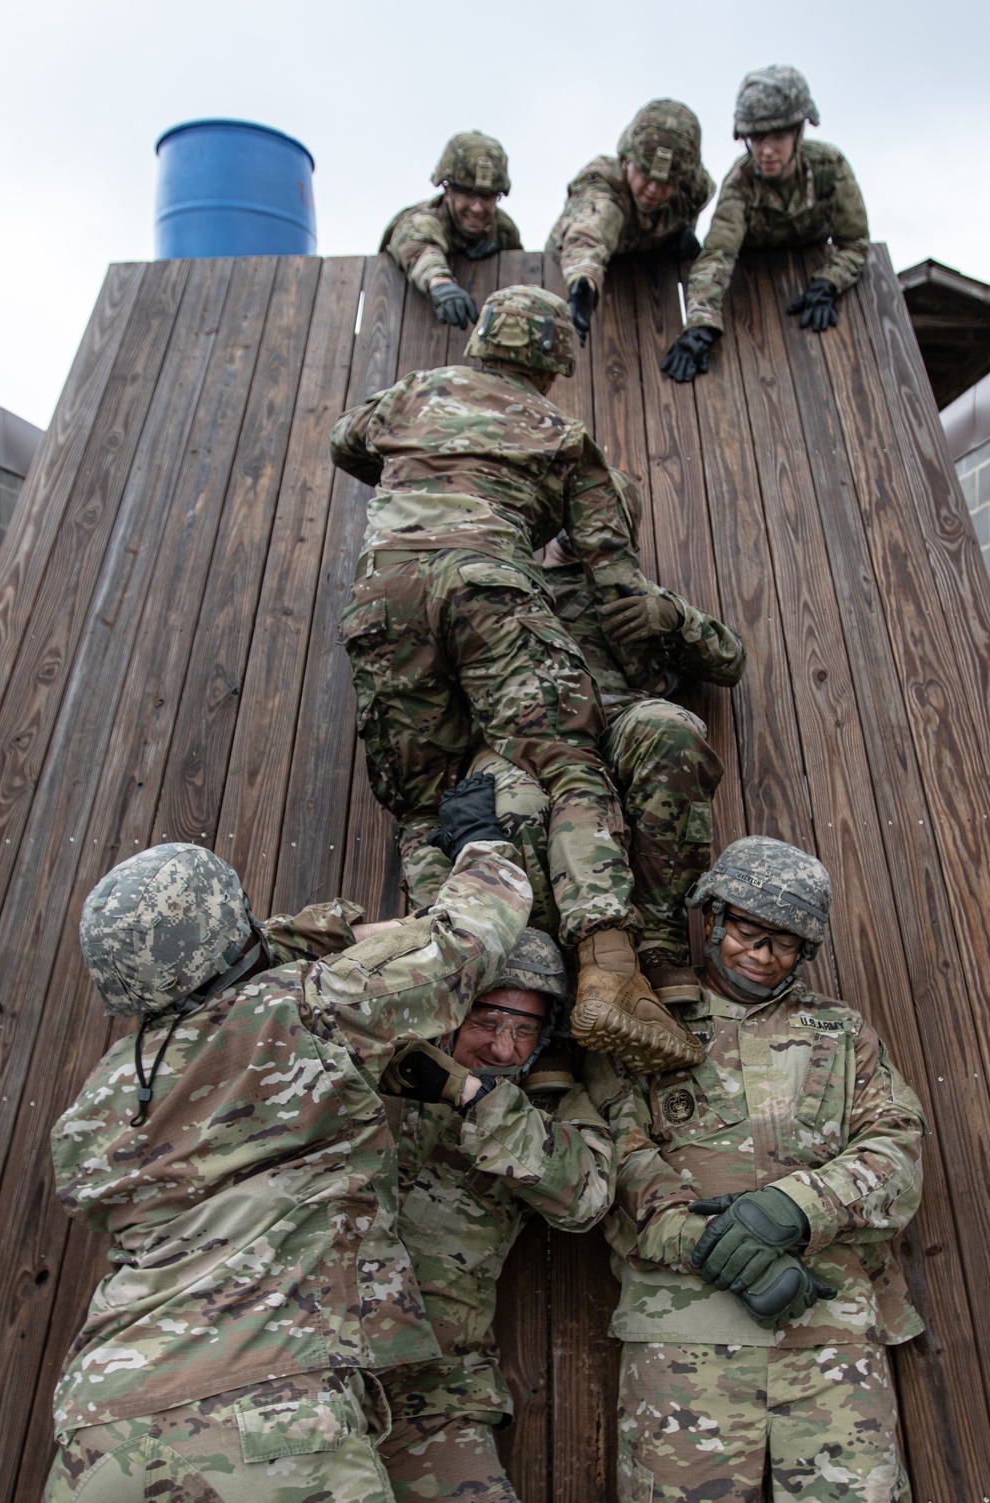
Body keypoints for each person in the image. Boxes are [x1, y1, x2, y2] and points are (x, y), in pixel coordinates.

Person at [43, 800, 534, 1503]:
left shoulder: (104, 1093)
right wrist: (483, 844)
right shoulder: (299, 1011)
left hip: (98, 1429)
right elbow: (464, 945)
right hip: (265, 1414)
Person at [331, 283, 704, 1078]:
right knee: (566, 759)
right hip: (487, 583)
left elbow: (348, 443)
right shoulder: (561, 433)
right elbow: (613, 568)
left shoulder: (411, 396)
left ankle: (447, 984)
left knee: (424, 800)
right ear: (550, 362)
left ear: (484, 341)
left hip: (382, 596)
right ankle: (609, 965)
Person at [595, 836, 925, 1503]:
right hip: (684, 1342)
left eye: (787, 943)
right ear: (712, 918)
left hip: (829, 1338)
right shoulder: (640, 1026)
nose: (764, 954)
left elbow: (897, 1150)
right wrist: (714, 1243)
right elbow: (612, 1157)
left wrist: (794, 1206)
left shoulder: (840, 1031)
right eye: (749, 930)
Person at [400, 495, 746, 1005]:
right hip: (519, 736)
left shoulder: (622, 589)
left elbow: (729, 660)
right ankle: (544, 969)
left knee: (670, 729)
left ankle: (657, 941)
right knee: (514, 803)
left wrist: (673, 617)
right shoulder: (492, 580)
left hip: (614, 718)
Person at [374, 928, 612, 1503]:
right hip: (301, 1376)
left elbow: (586, 1199)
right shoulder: (369, 1062)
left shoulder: (542, 1107)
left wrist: (474, 1098)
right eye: (487, 1021)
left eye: (525, 1030)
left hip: (432, 1397)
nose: (504, 1049)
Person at [662, 66, 870, 383]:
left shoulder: (830, 166)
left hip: (810, 287)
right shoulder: (740, 182)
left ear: (799, 131)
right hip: (753, 292)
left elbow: (854, 242)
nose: (767, 150)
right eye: (757, 138)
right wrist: (701, 324)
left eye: (779, 136)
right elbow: (717, 255)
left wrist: (829, 282)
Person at [547, 100, 715, 345]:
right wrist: (582, 285)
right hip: (574, 283)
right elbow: (590, 232)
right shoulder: (604, 184)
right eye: (645, 173)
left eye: (667, 182)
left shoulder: (693, 190)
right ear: (627, 160)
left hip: (646, 288)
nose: (654, 189)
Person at [381, 131, 522, 329]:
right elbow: (417, 245)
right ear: (448, 191)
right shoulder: (424, 219)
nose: (477, 207)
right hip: (404, 325)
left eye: (487, 196)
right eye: (468, 194)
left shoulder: (503, 231)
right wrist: (440, 283)